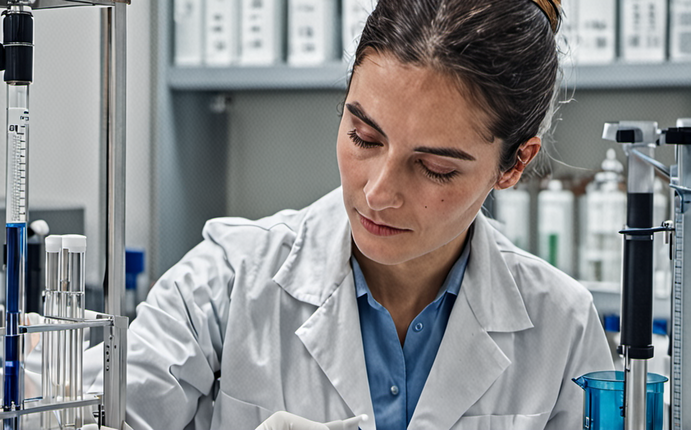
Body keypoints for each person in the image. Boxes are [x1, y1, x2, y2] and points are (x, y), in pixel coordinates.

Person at [125, 0, 614, 429]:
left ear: (514, 165)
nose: (378, 193)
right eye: (364, 137)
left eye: (434, 167)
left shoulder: (562, 326)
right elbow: (88, 414)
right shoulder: (227, 281)